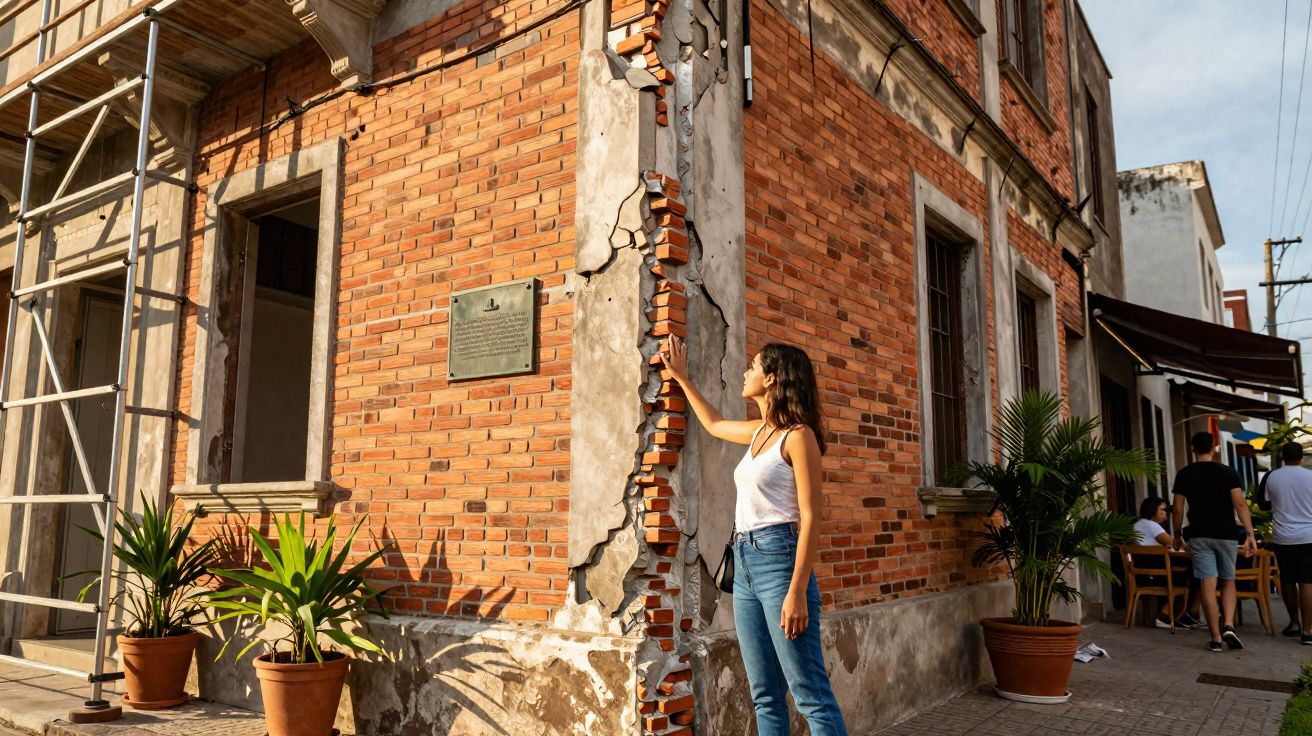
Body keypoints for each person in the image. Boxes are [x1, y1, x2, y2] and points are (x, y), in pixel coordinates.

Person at [659, 336, 847, 736]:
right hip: (744, 564)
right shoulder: (761, 431)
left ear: (774, 378)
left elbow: (812, 517)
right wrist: (680, 377)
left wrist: (797, 591)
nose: (746, 372)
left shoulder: (799, 436)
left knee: (809, 692)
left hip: (780, 561)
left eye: (753, 366)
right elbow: (711, 423)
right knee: (763, 693)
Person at [1172, 431, 1258, 652]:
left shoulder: (1184, 474)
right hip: (1227, 534)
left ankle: (1215, 638)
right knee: (1228, 580)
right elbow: (1240, 505)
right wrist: (1250, 534)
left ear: (1193, 449)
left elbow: (1178, 508)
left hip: (1199, 534)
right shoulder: (1228, 473)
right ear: (1214, 448)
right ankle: (1229, 625)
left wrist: (1177, 533)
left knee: (1207, 584)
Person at [1260, 442, 1312, 643]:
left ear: (1283, 456)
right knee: (1307, 581)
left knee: (1288, 579)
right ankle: (1308, 631)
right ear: (1301, 457)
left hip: (1283, 537)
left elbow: (1263, 504)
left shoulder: (1272, 476)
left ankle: (1293, 623)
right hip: (1309, 536)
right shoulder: (1310, 476)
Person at [1133, 496, 1197, 629]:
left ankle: (1174, 614)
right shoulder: (1152, 525)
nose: (1165, 514)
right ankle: (1169, 615)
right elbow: (1176, 543)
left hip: (1141, 573)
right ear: (1152, 509)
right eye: (1162, 510)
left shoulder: (1138, 524)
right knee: (1193, 575)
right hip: (1156, 575)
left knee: (1185, 573)